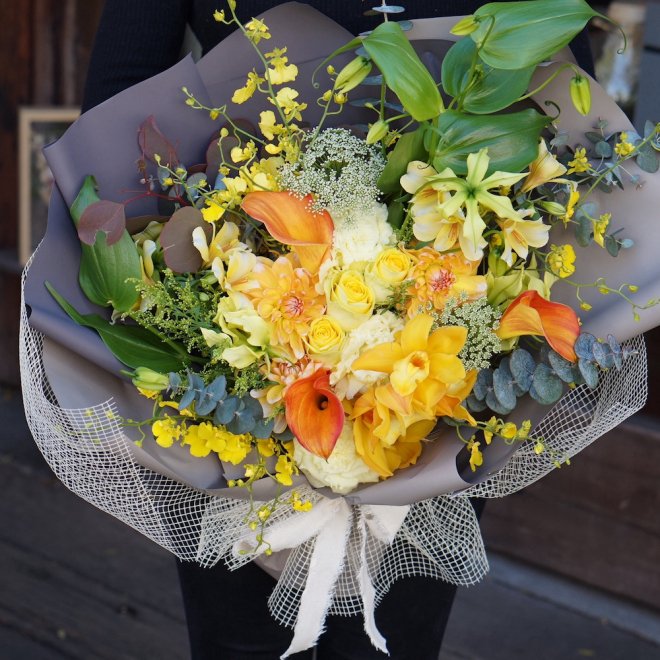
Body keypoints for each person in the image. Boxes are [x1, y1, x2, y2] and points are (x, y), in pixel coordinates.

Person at [82, 3, 593, 658]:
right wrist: (160, 292)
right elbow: (120, 86)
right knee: (237, 638)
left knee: (394, 640)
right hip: (226, 335)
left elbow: (556, 88)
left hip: (452, 348)